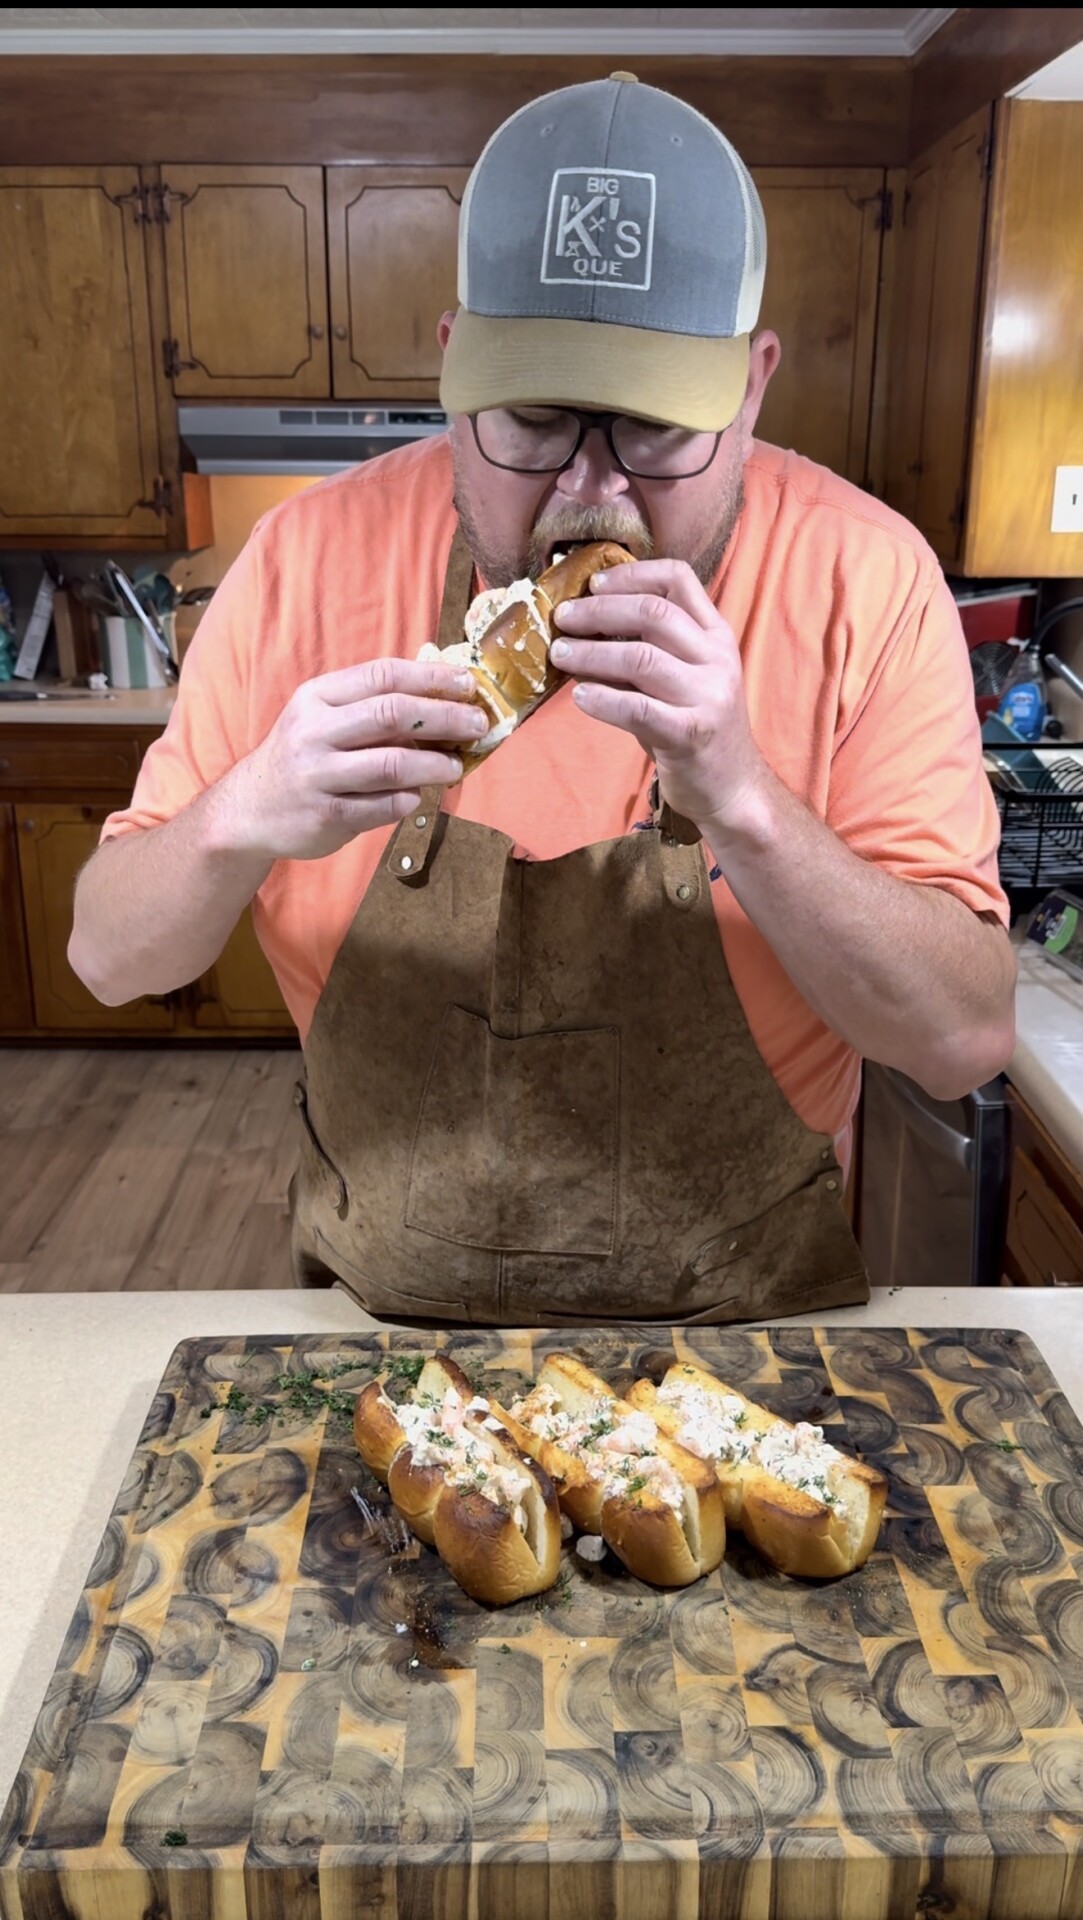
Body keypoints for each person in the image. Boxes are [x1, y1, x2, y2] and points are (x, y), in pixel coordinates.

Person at [69, 73, 1016, 1326]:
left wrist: (742, 799)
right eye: (532, 419)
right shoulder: (306, 562)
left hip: (743, 1362)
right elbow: (108, 957)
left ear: (751, 386)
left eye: (653, 432)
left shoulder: (865, 578)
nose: (590, 494)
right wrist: (247, 813)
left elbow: (959, 1041)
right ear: (456, 364)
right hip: (381, 1356)